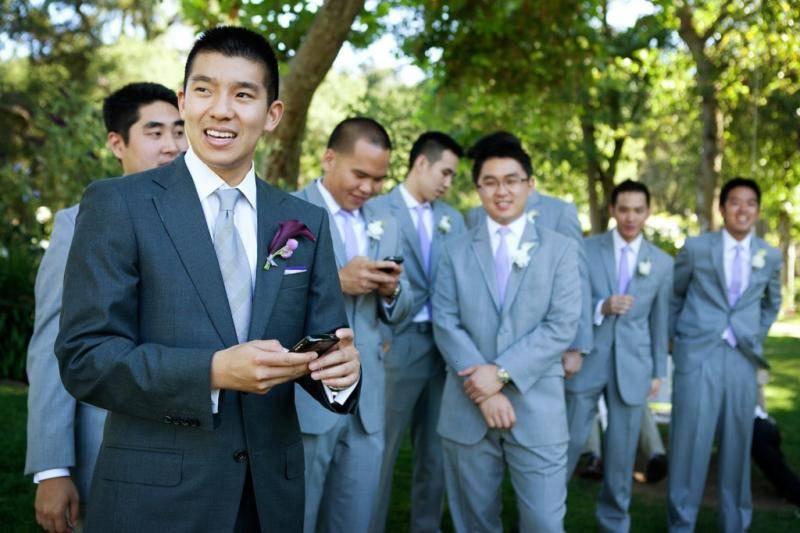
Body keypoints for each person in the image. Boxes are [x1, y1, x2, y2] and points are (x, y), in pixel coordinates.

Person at [55, 26, 361, 532]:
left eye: (242, 95)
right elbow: (85, 357)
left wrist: (341, 372)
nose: (221, 110)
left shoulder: (304, 221)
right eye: (204, 90)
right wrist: (213, 372)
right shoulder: (120, 204)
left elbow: (323, 344)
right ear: (184, 101)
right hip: (155, 500)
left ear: (272, 115)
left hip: (269, 500)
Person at [24, 81, 187, 533]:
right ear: (117, 143)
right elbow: (53, 348)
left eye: (179, 131)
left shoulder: (207, 218)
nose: (172, 146)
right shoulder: (78, 223)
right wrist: (52, 469)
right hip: (108, 449)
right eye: (155, 132)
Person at [433, 139, 580, 532]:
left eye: (512, 180)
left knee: (544, 524)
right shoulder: (453, 250)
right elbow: (445, 321)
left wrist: (499, 374)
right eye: (490, 182)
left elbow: (562, 324)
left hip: (538, 408)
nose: (502, 191)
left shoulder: (561, 250)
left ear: (530, 185)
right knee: (474, 524)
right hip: (467, 407)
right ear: (478, 188)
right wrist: (484, 390)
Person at [294, 117, 411, 533]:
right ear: (329, 158)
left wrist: (392, 292)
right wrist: (337, 281)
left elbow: (404, 305)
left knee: (355, 519)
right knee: (297, 516)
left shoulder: (386, 220)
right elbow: (265, 303)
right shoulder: (288, 212)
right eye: (359, 174)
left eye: (378, 179)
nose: (368, 188)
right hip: (309, 395)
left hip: (368, 401)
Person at [668, 177, 782, 532]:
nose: (742, 209)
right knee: (689, 442)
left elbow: (772, 302)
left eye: (750, 203)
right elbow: (674, 294)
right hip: (697, 354)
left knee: (737, 443)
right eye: (735, 202)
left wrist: (754, 334)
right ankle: (681, 523)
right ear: (722, 208)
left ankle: (735, 524)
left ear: (757, 211)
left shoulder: (770, 255)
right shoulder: (696, 248)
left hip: (742, 358)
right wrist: (676, 337)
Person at [370, 131, 466, 532]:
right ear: (421, 163)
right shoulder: (376, 208)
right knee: (381, 449)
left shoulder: (453, 219)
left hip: (444, 351)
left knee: (435, 452)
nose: (448, 182)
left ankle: (426, 526)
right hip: (395, 345)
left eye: (453, 176)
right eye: (445, 172)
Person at [565, 180, 672, 532]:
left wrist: (657, 371)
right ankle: (541, 518)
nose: (630, 217)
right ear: (612, 210)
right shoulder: (586, 249)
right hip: (587, 360)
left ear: (648, 212)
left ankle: (614, 523)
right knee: (567, 443)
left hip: (634, 366)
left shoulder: (662, 263)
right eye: (623, 209)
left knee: (622, 454)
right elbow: (571, 302)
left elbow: (660, 322)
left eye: (638, 210)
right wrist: (602, 306)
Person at [466, 132, 592, 382]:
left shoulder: (559, 211)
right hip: (485, 350)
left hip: (543, 345)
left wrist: (577, 345)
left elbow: (579, 278)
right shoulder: (475, 216)